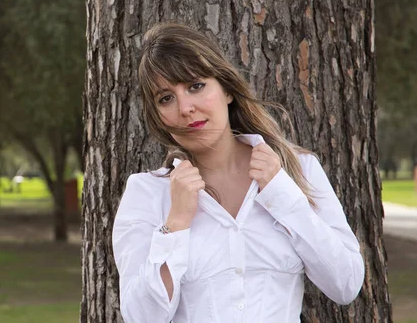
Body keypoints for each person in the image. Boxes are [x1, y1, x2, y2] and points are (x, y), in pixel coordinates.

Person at [112, 23, 364, 323]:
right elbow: (141, 318)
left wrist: (282, 195)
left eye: (195, 86)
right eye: (166, 98)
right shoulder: (147, 192)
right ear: (158, 117)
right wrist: (176, 223)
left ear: (227, 89)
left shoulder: (298, 169)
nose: (185, 108)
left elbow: (346, 284)